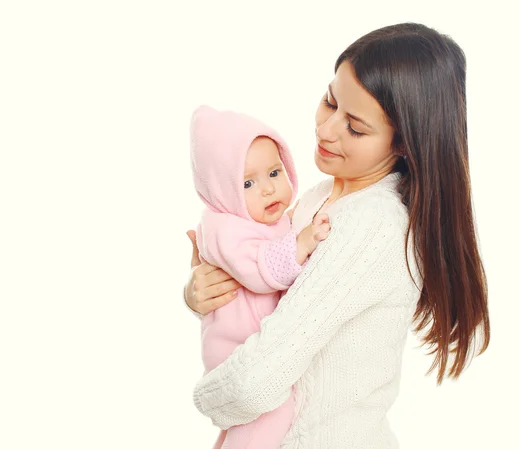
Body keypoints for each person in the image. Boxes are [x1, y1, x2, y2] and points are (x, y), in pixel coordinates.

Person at [184, 22, 491, 449]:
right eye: (330, 101)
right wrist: (207, 295)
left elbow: (254, 383)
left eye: (356, 127)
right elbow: (266, 303)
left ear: (403, 144)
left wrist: (208, 400)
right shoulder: (318, 197)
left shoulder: (374, 224)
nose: (327, 130)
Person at [188, 105, 331, 449]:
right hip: (234, 349)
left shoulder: (271, 218)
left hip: (256, 347)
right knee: (272, 416)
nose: (268, 190)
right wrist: (304, 241)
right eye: (248, 182)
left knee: (247, 427)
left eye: (274, 172)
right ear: (223, 191)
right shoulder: (223, 227)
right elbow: (260, 271)